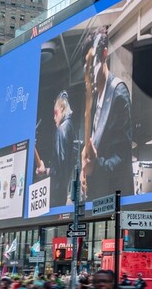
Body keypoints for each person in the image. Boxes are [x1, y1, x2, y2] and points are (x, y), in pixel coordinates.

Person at [80, 26, 133, 202]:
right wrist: (84, 169)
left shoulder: (118, 94)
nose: (89, 72)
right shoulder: (94, 97)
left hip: (114, 201)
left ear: (104, 55)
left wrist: (95, 167)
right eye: (85, 66)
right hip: (97, 196)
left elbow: (122, 157)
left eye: (92, 63)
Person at [36, 90, 76, 208]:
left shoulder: (61, 130)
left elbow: (61, 169)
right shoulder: (70, 127)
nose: (54, 118)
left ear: (62, 109)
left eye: (56, 113)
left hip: (58, 196)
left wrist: (46, 171)